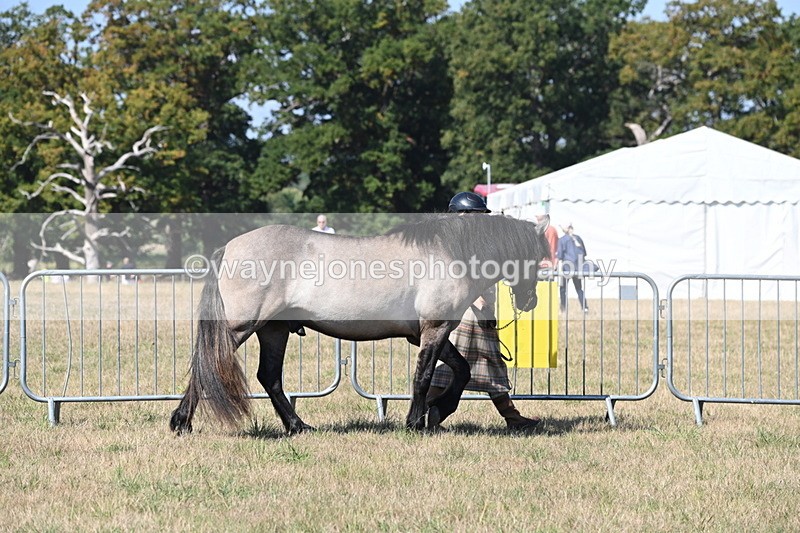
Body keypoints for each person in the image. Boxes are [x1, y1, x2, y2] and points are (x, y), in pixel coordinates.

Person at [427, 191, 540, 431]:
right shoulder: (457, 241)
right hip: (470, 313)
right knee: (457, 368)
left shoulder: (472, 239)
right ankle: (427, 412)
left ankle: (511, 416)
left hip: (477, 311)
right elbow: (461, 274)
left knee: (481, 365)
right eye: (477, 215)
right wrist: (479, 303)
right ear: (464, 215)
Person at [556, 223, 589, 312]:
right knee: (579, 289)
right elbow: (584, 253)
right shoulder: (578, 238)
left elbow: (559, 255)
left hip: (567, 268)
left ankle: (563, 308)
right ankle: (585, 307)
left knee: (563, 289)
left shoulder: (562, 240)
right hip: (578, 268)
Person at [532, 205, 558, 269]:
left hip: (546, 264)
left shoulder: (550, 229)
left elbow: (552, 247)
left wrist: (551, 262)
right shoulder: (535, 228)